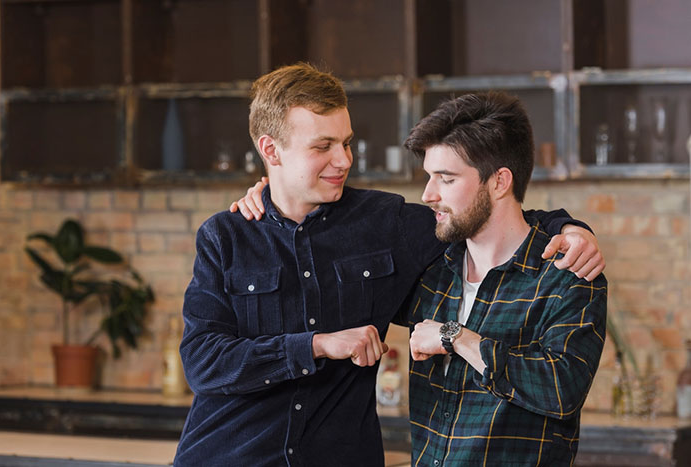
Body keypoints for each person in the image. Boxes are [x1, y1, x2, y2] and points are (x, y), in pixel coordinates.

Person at [175, 63, 604, 467]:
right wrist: (317, 344)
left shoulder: (386, 223)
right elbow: (202, 361)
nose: (344, 160)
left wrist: (568, 227)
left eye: (345, 142)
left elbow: (487, 214)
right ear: (271, 150)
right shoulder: (226, 236)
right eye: (322, 146)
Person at [403, 91, 607, 466]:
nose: (428, 194)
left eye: (446, 179)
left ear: (499, 182)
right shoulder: (430, 268)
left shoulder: (566, 274)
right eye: (429, 177)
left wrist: (457, 338)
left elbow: (561, 390)